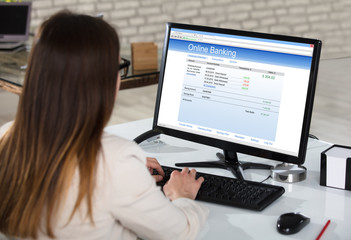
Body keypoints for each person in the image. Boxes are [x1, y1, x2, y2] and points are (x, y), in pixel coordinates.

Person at [0, 10, 208, 240]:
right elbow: (181, 233)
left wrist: (131, 174)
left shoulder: (7, 136)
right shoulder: (115, 161)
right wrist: (183, 196)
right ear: (103, 81)